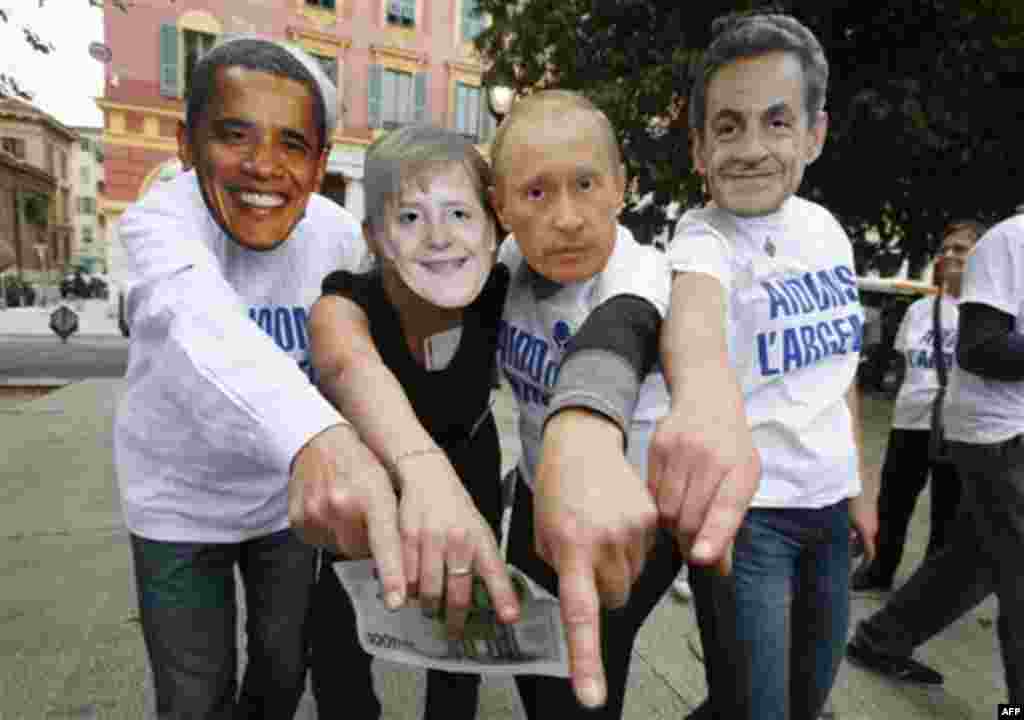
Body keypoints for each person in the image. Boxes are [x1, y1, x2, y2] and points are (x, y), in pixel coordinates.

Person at [293, 90, 751, 718]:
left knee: (587, 677)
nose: (567, 217)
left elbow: (621, 330)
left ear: (621, 186)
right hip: (533, 505)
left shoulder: (637, 271)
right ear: (503, 210)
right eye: (536, 193)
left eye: (586, 184)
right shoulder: (498, 266)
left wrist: (583, 431)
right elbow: (355, 337)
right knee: (525, 668)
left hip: (623, 512)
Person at [114, 36, 411, 719]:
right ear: (186, 145)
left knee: (282, 671)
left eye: (292, 145)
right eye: (234, 135)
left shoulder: (337, 238)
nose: (263, 167)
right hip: (176, 505)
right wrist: (323, 438)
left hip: (282, 507)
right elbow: (198, 319)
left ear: (319, 163)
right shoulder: (161, 224)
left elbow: (389, 331)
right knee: (195, 694)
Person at [656, 12, 875, 720]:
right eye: (728, 126)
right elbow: (693, 321)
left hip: (829, 513)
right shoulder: (702, 239)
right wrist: (698, 401)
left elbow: (841, 371)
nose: (751, 148)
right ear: (698, 147)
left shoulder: (828, 231)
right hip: (751, 524)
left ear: (814, 134)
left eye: (776, 123)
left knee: (804, 703)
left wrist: (859, 489)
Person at [307, 124, 519, 719]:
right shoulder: (352, 298)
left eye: (459, 213)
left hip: (472, 462)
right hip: (374, 470)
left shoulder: (501, 290)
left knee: (461, 616)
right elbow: (342, 355)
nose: (439, 237)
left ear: (492, 227)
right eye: (410, 218)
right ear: (374, 236)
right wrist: (419, 472)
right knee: (335, 623)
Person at [847, 213, 1024, 704]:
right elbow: (981, 348)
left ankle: (880, 640)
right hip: (997, 434)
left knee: (975, 560)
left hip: (1009, 430)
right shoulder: (1011, 242)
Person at [850, 220, 985, 592]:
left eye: (961, 249)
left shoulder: (984, 312)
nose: (950, 255)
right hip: (909, 421)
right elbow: (903, 363)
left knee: (947, 510)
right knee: (893, 504)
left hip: (957, 426)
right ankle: (879, 569)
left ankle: (930, 587)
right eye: (947, 249)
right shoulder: (921, 310)